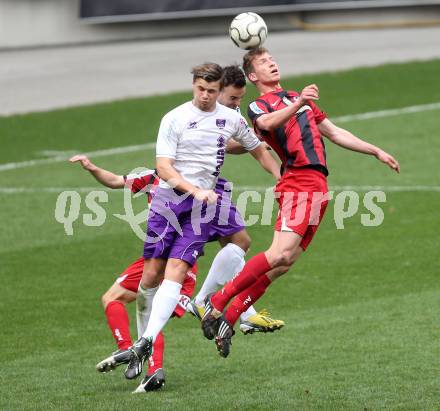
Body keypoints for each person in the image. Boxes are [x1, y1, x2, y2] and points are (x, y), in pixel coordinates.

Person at [201, 47, 400, 358]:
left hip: (318, 185)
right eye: (264, 62)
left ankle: (228, 318)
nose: (272, 63)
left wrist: (375, 150)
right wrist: (299, 103)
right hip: (298, 181)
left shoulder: (296, 99)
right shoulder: (258, 104)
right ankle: (217, 301)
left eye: (272, 59)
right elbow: (266, 125)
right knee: (277, 253)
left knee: (284, 263)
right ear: (253, 76)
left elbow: (334, 132)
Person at [124, 62, 281, 383]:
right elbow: (163, 167)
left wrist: (280, 176)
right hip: (169, 203)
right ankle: (147, 336)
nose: (207, 96)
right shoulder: (175, 118)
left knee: (178, 269)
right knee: (150, 278)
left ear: (218, 89)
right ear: (194, 86)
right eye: (201, 89)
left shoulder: (230, 119)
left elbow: (256, 147)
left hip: (201, 207)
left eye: (212, 91)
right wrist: (194, 189)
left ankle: (145, 343)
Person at [186, 65, 285, 335]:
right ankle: (203, 300)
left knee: (234, 243)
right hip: (194, 190)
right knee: (238, 243)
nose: (237, 103)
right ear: (218, 92)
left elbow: (250, 146)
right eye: (232, 98)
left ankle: (243, 313)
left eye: (240, 98)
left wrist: (278, 174)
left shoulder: (229, 112)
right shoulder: (197, 116)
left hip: (206, 187)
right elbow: (230, 143)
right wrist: (254, 138)